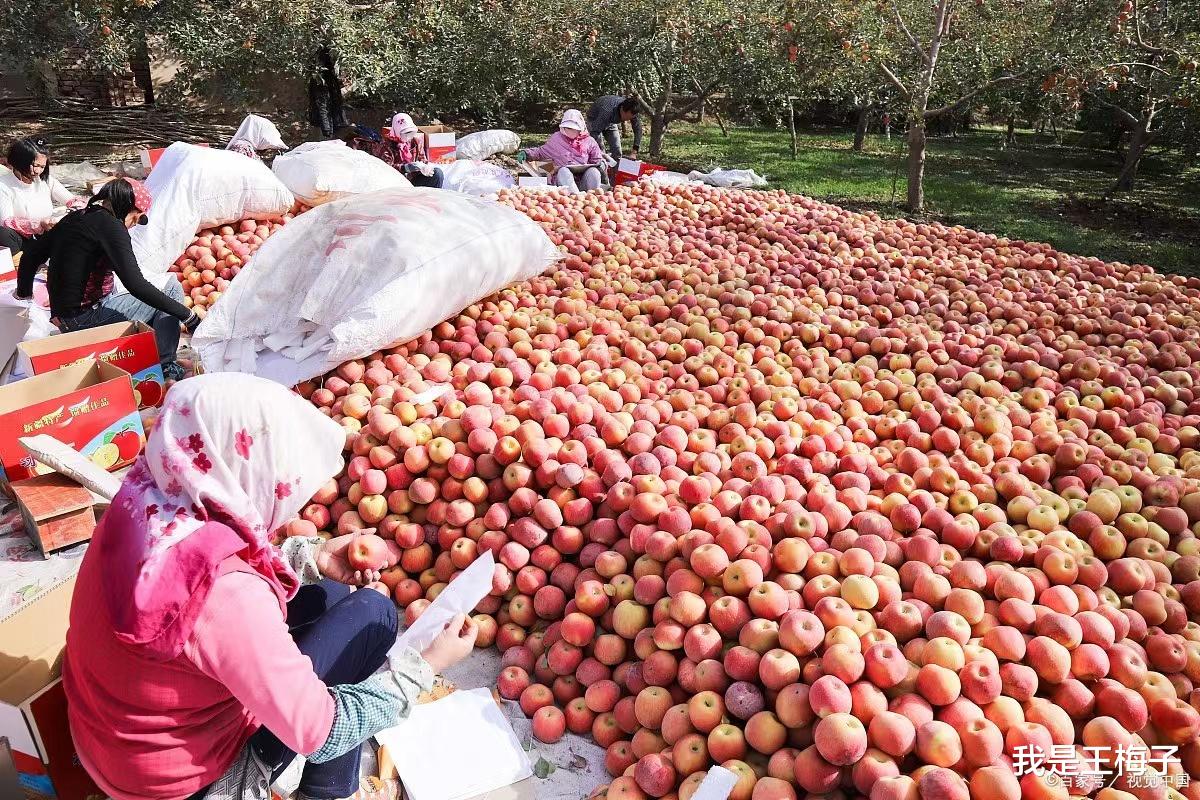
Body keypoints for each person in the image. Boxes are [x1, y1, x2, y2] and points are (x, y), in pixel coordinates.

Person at [63, 373, 478, 800]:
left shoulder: (144, 504)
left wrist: (308, 558)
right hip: (179, 787)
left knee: (328, 595)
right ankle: (326, 792)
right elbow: (326, 731)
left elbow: (192, 587)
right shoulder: (230, 599)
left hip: (109, 742)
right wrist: (426, 664)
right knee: (373, 617)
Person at [13, 178, 196, 380]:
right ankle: (166, 365)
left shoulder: (75, 217)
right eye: (138, 217)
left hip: (63, 317)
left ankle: (148, 352)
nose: (136, 223)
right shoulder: (112, 228)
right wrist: (188, 316)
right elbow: (135, 284)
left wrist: (24, 294)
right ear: (127, 207)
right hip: (86, 319)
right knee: (171, 288)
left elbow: (30, 256)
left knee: (151, 299)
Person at [0, 136, 84, 256]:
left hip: (48, 234)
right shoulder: (3, 185)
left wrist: (74, 209)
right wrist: (38, 225)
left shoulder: (45, 180)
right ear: (21, 161)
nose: (38, 171)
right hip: (23, 239)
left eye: (42, 167)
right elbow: (7, 222)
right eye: (35, 165)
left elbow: (72, 200)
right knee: (3, 234)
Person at [518, 109, 605, 193]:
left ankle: (593, 197)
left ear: (581, 128)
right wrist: (526, 153)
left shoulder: (589, 141)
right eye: (568, 128)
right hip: (563, 184)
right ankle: (574, 197)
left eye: (574, 128)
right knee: (564, 171)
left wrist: (601, 164)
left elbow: (597, 160)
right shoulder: (556, 139)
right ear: (563, 127)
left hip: (583, 181)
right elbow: (541, 152)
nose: (571, 131)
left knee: (594, 171)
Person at [370, 113, 444, 189]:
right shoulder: (386, 145)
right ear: (397, 131)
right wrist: (405, 168)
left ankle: (432, 198)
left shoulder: (416, 142)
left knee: (437, 173)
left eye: (411, 133)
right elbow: (386, 168)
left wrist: (425, 167)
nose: (409, 137)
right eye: (405, 133)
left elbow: (422, 159)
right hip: (395, 182)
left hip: (413, 179)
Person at [309, 45, 349, 139]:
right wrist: (327, 129)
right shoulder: (321, 79)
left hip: (329, 124)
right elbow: (322, 105)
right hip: (325, 126)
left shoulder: (328, 77)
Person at [586, 95, 642, 161]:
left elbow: (638, 129)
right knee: (600, 153)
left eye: (630, 118)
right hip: (595, 120)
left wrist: (634, 152)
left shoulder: (633, 110)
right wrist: (601, 151)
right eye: (627, 117)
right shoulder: (607, 110)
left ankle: (615, 169)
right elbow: (595, 132)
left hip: (611, 122)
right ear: (622, 109)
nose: (627, 120)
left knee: (617, 151)